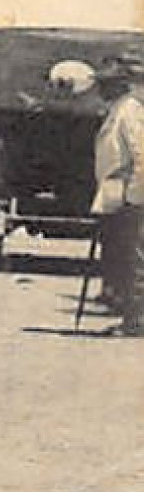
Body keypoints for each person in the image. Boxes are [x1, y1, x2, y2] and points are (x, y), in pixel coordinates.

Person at [91, 52, 144, 338]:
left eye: (106, 83)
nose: (100, 88)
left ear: (120, 85)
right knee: (124, 257)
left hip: (132, 195)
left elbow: (140, 156)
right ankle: (131, 317)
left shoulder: (130, 111)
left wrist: (135, 197)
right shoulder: (119, 109)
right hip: (119, 193)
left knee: (135, 259)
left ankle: (137, 321)